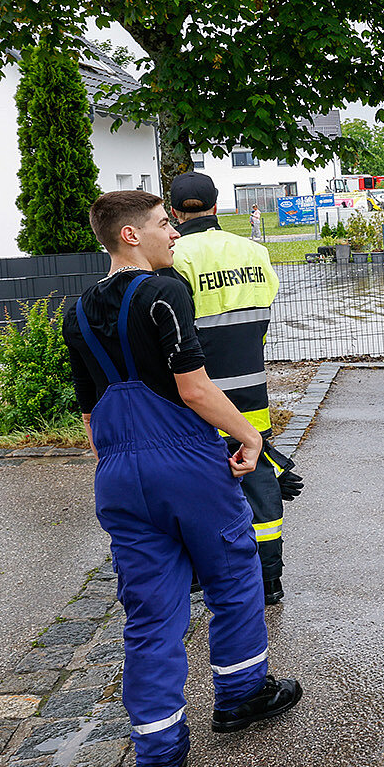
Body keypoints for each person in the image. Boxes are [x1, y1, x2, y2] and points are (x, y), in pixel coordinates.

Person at [64, 190, 303, 767]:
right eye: (163, 225)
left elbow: (91, 414)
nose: (174, 234)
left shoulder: (77, 312)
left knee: (150, 612)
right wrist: (252, 437)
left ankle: (160, 761)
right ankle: (242, 694)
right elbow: (193, 387)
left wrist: (123, 469)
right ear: (129, 237)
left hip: (118, 474)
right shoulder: (166, 292)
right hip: (186, 465)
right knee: (234, 574)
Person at [164, 172, 301, 607]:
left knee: (200, 485)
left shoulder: (173, 256)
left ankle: (201, 576)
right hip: (250, 390)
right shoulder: (255, 252)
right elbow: (261, 319)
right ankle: (269, 579)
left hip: (199, 395)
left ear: (172, 211)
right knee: (258, 478)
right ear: (217, 205)